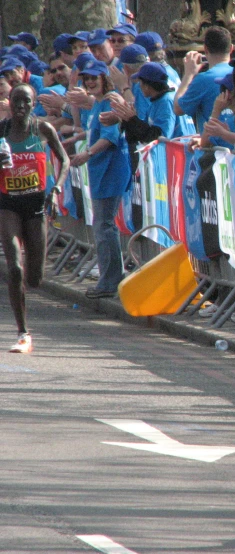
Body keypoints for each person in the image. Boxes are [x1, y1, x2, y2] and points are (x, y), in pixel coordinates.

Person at [0, 83, 69, 353]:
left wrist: (57, 188)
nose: (21, 107)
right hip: (7, 205)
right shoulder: (2, 131)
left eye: (26, 102)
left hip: (36, 206)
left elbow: (65, 159)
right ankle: (23, 332)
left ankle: (25, 298)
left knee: (35, 278)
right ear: (9, 102)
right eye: (16, 101)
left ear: (33, 104)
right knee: (15, 268)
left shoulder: (42, 129)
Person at [69, 59, 131, 299]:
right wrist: (76, 139)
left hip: (110, 171)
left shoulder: (112, 100)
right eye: (87, 79)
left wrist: (87, 152)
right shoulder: (98, 102)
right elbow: (96, 129)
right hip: (100, 172)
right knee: (103, 225)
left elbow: (110, 137)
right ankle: (109, 279)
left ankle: (110, 281)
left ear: (105, 78)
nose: (90, 82)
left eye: (95, 77)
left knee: (105, 226)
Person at [174, 26, 233, 133]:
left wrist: (188, 75)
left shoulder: (203, 79)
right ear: (231, 49)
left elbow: (178, 108)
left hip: (213, 144)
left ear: (205, 49)